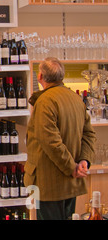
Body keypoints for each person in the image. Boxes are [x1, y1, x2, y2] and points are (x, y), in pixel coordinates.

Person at [24, 57, 96, 220]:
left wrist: (71, 167)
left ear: (40, 76)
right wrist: (84, 161)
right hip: (72, 181)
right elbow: (89, 134)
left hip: (48, 182)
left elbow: (50, 142)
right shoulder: (75, 98)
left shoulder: (45, 101)